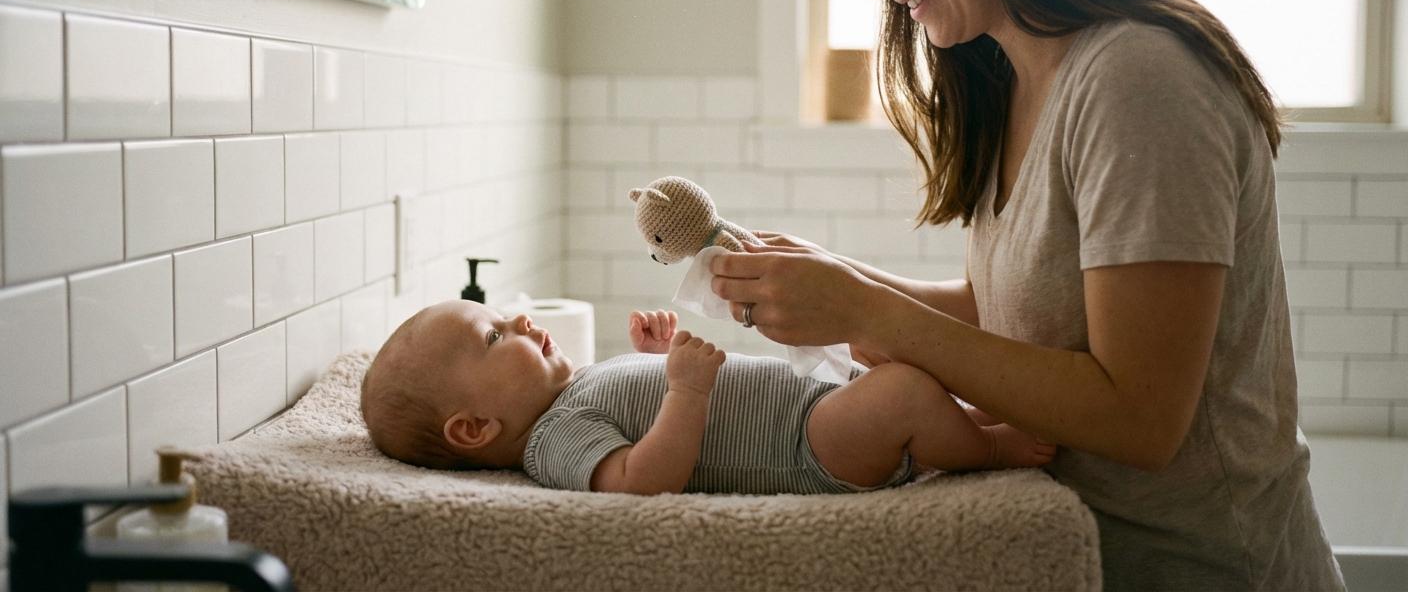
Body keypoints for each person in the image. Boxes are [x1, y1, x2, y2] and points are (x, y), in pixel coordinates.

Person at [708, 0, 1343, 589]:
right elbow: (1013, 311)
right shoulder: (1011, 81)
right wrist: (835, 287)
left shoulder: (1139, 80)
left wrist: (872, 313)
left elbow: (1140, 418)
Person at [359, 299, 1054, 495]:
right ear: (475, 428)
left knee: (887, 363)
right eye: (493, 337)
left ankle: (961, 419)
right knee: (902, 390)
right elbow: (642, 479)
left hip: (810, 405)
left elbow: (641, 411)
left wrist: (659, 362)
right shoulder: (551, 445)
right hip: (807, 448)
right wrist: (686, 390)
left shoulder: (575, 392)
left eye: (507, 315)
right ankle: (984, 446)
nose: (521, 320)